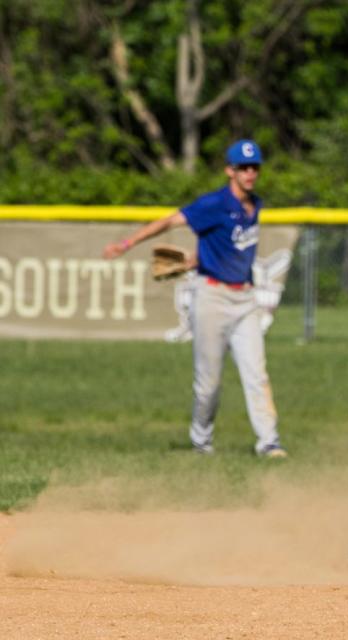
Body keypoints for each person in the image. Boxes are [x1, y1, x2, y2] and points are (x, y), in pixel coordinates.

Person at [103, 139, 287, 458]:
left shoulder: (254, 205)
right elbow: (170, 221)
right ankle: (201, 441)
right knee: (208, 383)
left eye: (254, 166)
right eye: (243, 167)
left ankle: (268, 441)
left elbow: (230, 247)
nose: (249, 172)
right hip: (212, 298)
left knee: (257, 374)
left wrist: (199, 256)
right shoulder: (214, 203)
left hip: (245, 300)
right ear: (229, 170)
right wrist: (127, 243)